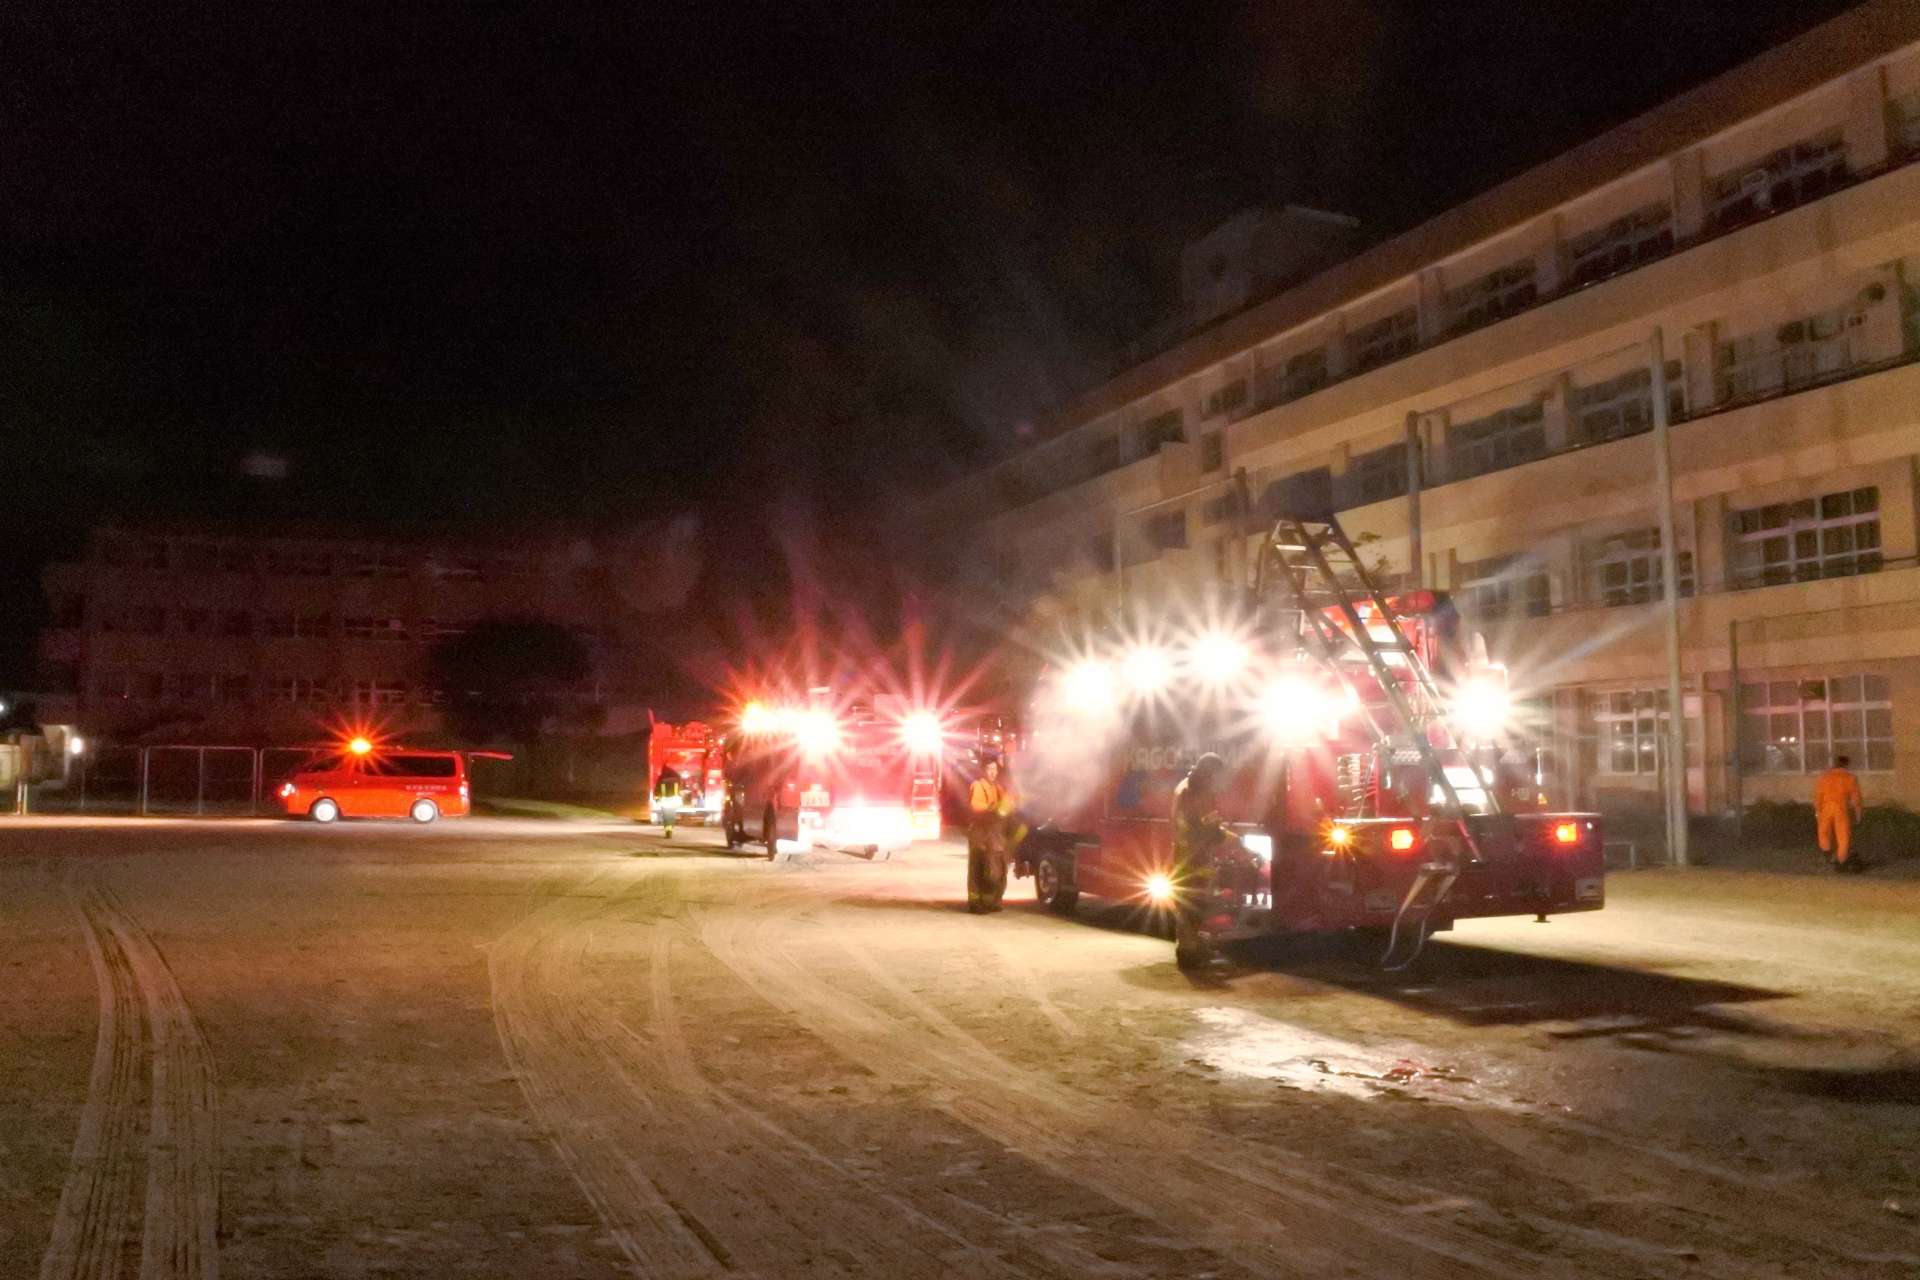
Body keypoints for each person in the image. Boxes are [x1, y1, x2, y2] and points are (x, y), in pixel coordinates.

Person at [1171, 753, 1231, 970]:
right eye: (1216, 776)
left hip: (1187, 858)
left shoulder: (1188, 786)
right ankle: (1189, 956)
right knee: (1192, 908)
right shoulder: (1194, 792)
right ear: (1209, 773)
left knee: (1190, 908)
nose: (1218, 781)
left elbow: (1203, 823)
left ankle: (1191, 950)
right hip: (1192, 860)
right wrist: (1224, 836)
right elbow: (1203, 828)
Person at [966, 758, 1015, 913]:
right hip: (980, 833)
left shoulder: (997, 788)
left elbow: (1008, 805)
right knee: (978, 868)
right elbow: (976, 806)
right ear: (983, 771)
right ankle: (975, 902)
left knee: (995, 868)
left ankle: (990, 901)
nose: (992, 772)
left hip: (994, 835)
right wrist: (994, 808)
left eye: (995, 769)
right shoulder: (978, 786)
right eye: (989, 769)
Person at [1814, 754, 1864, 873]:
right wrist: (1858, 813)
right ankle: (1841, 861)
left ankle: (1827, 852)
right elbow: (1856, 797)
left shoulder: (1824, 777)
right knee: (1843, 836)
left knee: (1823, 832)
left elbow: (1818, 796)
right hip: (1841, 808)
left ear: (1835, 763)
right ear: (1846, 764)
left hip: (1826, 808)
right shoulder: (1850, 777)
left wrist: (1817, 811)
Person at [654, 766, 682, 839]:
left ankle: (668, 831)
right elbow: (681, 788)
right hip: (674, 800)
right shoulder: (677, 777)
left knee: (666, 816)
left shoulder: (661, 778)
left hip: (664, 800)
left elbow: (657, 788)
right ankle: (670, 828)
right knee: (672, 815)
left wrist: (657, 798)